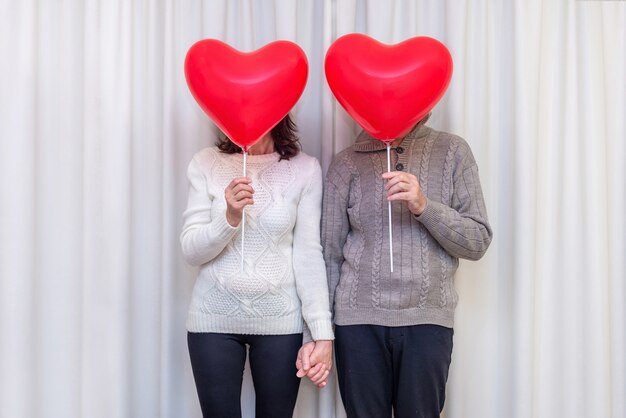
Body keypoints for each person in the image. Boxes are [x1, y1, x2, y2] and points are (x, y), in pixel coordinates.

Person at [322, 114, 493, 418]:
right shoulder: (346, 163)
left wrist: (424, 206)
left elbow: (477, 241)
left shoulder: (453, 151)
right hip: (357, 324)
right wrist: (322, 333)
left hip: (427, 321)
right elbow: (329, 257)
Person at [181, 115, 334, 418]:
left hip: (281, 323)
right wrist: (229, 218)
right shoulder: (205, 163)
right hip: (213, 321)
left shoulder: (305, 169)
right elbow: (191, 251)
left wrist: (321, 333)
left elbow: (308, 255)